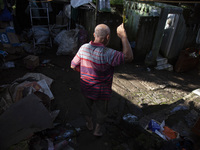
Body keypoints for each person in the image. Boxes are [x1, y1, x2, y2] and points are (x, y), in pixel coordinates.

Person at [71, 23, 133, 136]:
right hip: (102, 92)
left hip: (86, 87)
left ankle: (89, 124)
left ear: (94, 34)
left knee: (86, 108)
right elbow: (128, 57)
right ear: (108, 37)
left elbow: (73, 65)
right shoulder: (109, 53)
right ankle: (97, 130)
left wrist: (85, 72)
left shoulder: (83, 48)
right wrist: (123, 36)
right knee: (102, 112)